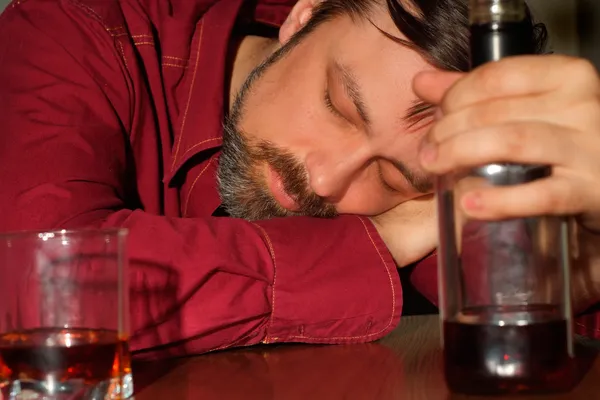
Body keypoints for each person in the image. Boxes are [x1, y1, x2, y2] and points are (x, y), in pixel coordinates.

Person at [0, 0, 599, 359]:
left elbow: (515, 300)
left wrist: (582, 255)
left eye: (392, 178)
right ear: (303, 15)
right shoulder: (78, 29)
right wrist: (387, 236)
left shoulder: (430, 189)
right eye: (338, 104)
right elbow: (36, 292)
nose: (325, 178)